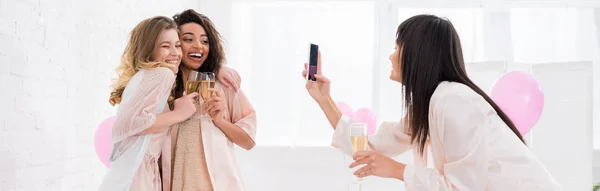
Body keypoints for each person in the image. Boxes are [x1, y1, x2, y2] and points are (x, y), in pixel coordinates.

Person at [302, 14, 562, 190]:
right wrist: (325, 100)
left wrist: (397, 170)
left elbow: (459, 188)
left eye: (396, 47)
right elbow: (370, 147)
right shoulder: (431, 105)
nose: (391, 56)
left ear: (417, 53)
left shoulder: (453, 101)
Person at [98, 16, 198, 191]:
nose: (175, 53)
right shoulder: (162, 74)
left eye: (177, 45)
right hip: (137, 172)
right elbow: (129, 123)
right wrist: (179, 114)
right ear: (148, 49)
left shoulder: (146, 75)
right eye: (165, 46)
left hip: (131, 169)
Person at [169, 9, 257, 191]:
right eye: (188, 39)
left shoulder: (223, 85)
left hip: (218, 184)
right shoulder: (164, 87)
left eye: (204, 41)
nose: (198, 46)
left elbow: (248, 141)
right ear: (175, 45)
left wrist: (219, 120)